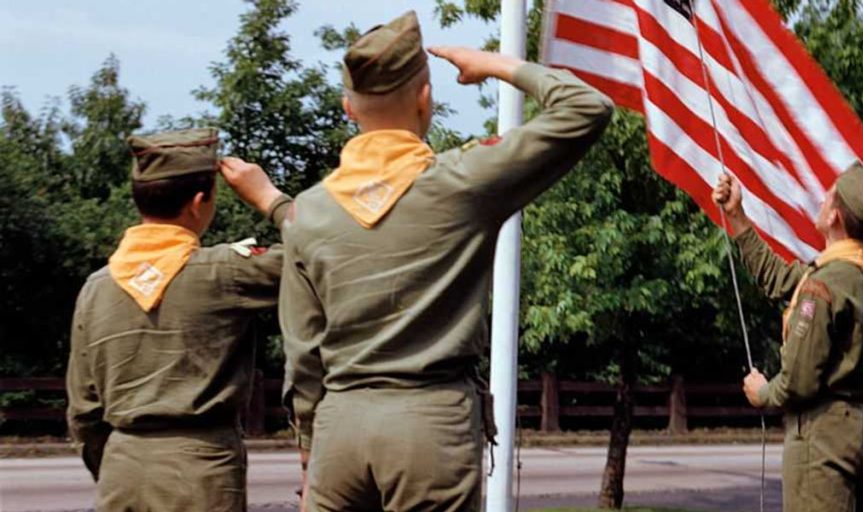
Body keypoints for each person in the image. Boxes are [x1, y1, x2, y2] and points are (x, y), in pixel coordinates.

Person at [279, 10, 614, 512]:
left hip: (339, 425)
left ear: (349, 108)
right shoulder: (461, 183)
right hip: (430, 422)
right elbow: (587, 107)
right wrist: (499, 64)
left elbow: (303, 352)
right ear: (425, 96)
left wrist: (311, 452)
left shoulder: (308, 213)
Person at [65, 127, 291, 512]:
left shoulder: (96, 287)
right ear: (200, 201)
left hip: (122, 468)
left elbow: (84, 411)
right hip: (200, 467)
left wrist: (117, 465)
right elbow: (325, 254)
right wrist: (272, 200)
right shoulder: (225, 272)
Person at [712, 163, 863, 511]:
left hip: (821, 436)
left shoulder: (824, 285)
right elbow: (781, 278)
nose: (821, 200)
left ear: (836, 218)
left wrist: (763, 393)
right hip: (856, 427)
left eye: (827, 196)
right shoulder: (860, 271)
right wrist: (737, 217)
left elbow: (798, 379)